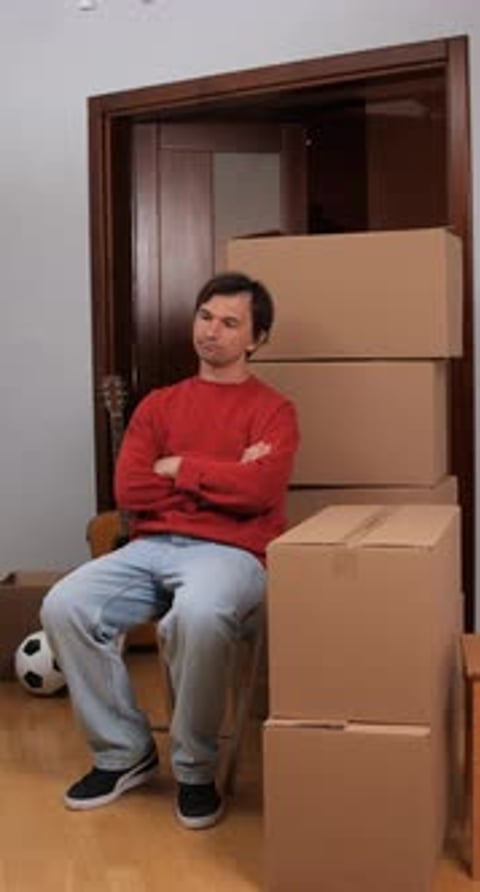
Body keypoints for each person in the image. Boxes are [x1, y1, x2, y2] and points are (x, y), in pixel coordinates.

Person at [41, 271, 299, 829]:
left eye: (230, 323)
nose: (212, 331)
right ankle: (123, 752)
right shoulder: (159, 405)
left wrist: (181, 467)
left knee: (199, 615)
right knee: (64, 604)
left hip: (234, 555)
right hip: (151, 545)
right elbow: (130, 490)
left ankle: (194, 769)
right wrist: (226, 474)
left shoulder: (275, 411)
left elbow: (261, 492)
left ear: (256, 338)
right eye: (205, 316)